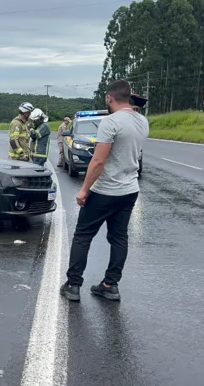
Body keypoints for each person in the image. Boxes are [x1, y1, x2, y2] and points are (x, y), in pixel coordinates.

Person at [60, 79, 149, 302]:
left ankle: (73, 284)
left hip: (105, 191)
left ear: (109, 97)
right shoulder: (142, 121)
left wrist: (83, 190)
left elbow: (98, 162)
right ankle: (110, 285)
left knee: (83, 236)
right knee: (119, 238)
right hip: (129, 190)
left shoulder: (110, 122)